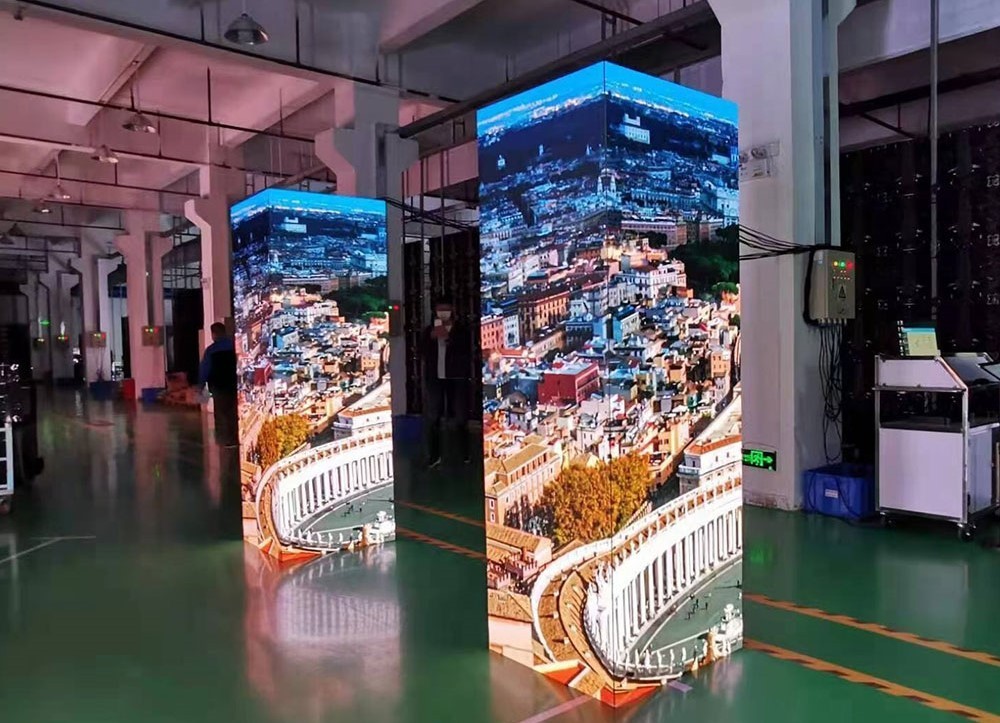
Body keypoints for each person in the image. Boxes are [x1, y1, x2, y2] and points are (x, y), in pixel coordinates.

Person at [422, 299, 472, 467]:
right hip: (435, 378)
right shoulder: (430, 331)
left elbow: (467, 351)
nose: (443, 312)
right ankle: (435, 455)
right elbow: (422, 352)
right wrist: (431, 338)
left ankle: (464, 454)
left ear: (452, 310)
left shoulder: (461, 331)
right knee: (433, 417)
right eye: (440, 309)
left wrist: (450, 339)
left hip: (456, 377)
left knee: (460, 417)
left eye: (446, 308)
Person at [199, 322, 238, 447]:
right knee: (233, 413)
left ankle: (223, 440)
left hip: (218, 387)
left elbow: (205, 369)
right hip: (233, 385)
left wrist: (200, 386)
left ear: (214, 334)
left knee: (221, 413)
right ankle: (234, 439)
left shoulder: (211, 350)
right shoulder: (234, 347)